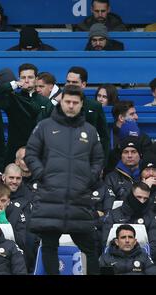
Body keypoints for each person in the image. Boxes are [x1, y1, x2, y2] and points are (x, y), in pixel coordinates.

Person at [25, 84, 104, 275]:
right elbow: (31, 154)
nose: (71, 105)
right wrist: (42, 175)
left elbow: (99, 159)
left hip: (79, 199)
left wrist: (88, 179)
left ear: (81, 104)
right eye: (67, 101)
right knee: (49, 246)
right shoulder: (44, 126)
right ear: (61, 102)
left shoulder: (90, 131)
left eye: (75, 102)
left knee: (90, 249)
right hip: (51, 198)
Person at [0, 64, 53, 165]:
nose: (26, 80)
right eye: (23, 77)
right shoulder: (13, 98)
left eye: (30, 77)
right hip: (14, 152)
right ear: (19, 79)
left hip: (38, 151)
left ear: (36, 79)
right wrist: (13, 84)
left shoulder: (45, 102)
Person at [102, 182, 156, 260]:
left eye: (145, 199)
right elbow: (106, 242)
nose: (142, 201)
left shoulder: (150, 216)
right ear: (131, 196)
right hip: (115, 259)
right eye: (138, 197)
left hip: (142, 260)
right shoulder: (113, 214)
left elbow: (154, 244)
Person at [65, 66, 110, 158]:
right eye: (68, 82)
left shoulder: (95, 106)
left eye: (74, 82)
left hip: (88, 158)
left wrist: (102, 164)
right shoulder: (58, 105)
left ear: (83, 84)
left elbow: (103, 137)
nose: (70, 85)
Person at [106, 101, 151, 173]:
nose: (136, 117)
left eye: (135, 113)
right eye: (132, 114)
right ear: (121, 118)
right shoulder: (106, 137)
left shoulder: (144, 138)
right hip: (113, 180)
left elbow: (148, 164)